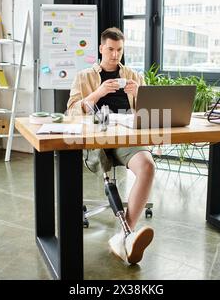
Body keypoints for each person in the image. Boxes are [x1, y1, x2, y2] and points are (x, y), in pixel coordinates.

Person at [67, 27, 155, 265]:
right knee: (108, 174)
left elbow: (150, 113)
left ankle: (125, 235)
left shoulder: (134, 75)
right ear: (100, 49)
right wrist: (97, 93)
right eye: (110, 49)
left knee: (147, 167)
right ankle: (127, 237)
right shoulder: (84, 76)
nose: (115, 55)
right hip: (98, 136)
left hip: (127, 135)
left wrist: (141, 93)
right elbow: (72, 111)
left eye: (119, 50)